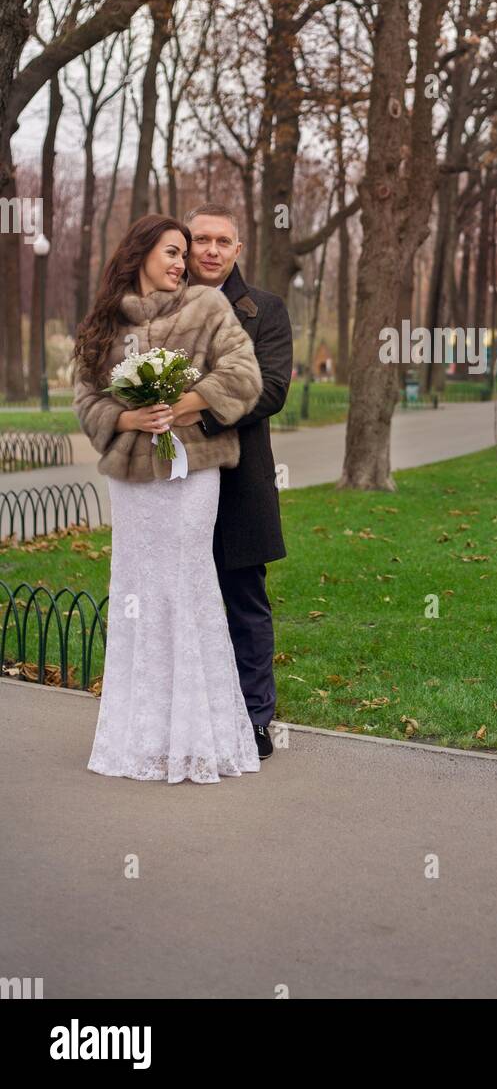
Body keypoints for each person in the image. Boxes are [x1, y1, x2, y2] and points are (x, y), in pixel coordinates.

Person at [72, 214, 264, 784]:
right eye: (172, 252)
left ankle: (199, 737)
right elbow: (84, 394)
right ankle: (141, 737)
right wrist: (126, 415)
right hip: (132, 483)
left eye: (185, 253)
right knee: (136, 590)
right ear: (139, 254)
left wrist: (186, 402)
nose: (182, 262)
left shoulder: (207, 309)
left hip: (190, 474)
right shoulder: (105, 321)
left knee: (186, 584)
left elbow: (245, 374)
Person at [182, 205, 293, 760]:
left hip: (238, 481)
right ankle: (190, 711)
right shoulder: (159, 302)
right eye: (200, 238)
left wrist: (196, 412)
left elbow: (271, 389)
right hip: (170, 483)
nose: (210, 249)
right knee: (179, 597)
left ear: (237, 249)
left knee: (244, 600)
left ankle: (254, 719)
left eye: (222, 241)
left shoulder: (264, 310)